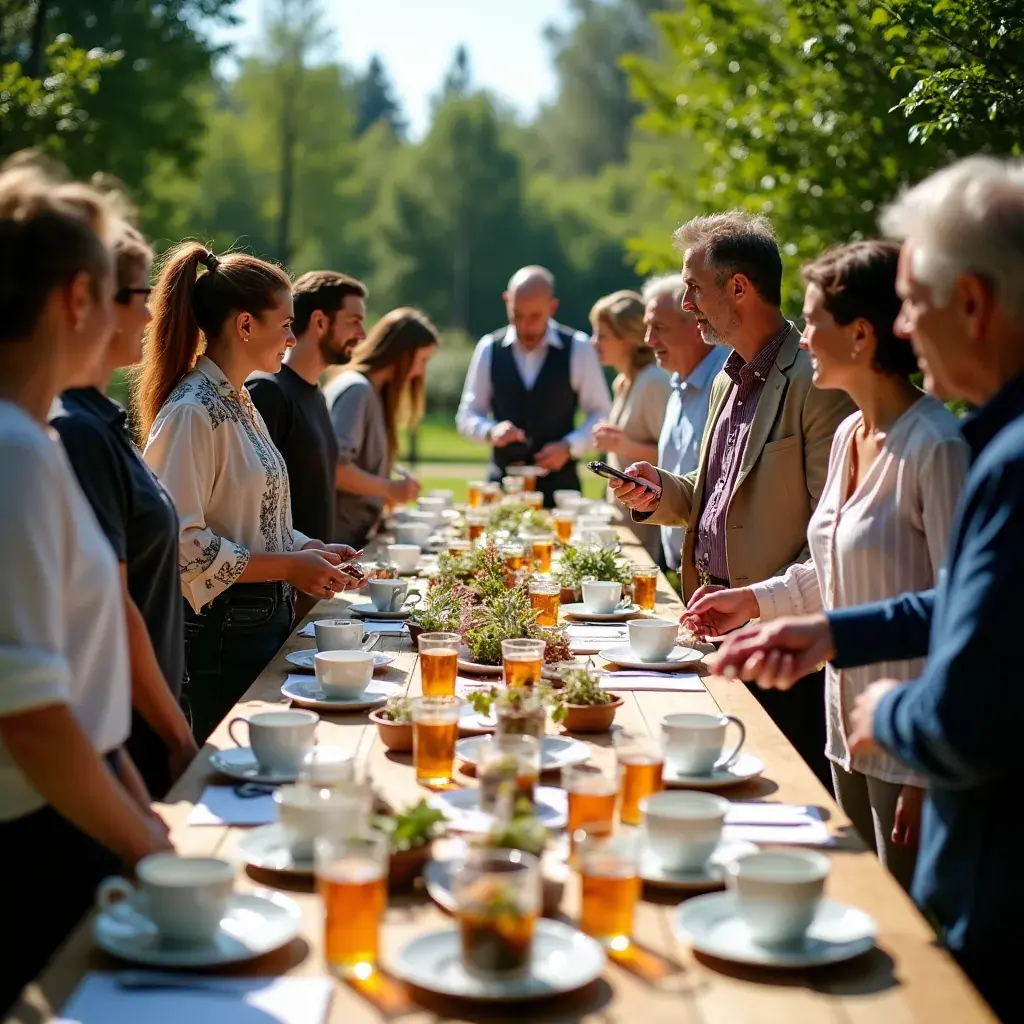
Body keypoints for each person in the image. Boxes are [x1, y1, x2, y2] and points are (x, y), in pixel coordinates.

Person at [706, 157, 1024, 1021]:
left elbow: (974, 681)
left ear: (974, 305)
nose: (908, 325)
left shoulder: (958, 449)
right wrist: (819, 627)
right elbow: (937, 594)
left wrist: (895, 723)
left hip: (940, 785)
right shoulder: (859, 430)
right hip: (855, 737)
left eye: (915, 303)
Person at [681, 242, 967, 889]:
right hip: (844, 734)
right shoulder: (848, 435)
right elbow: (829, 568)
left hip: (909, 751)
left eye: (812, 323)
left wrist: (927, 774)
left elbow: (959, 616)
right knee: (859, 902)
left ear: (862, 335)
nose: (803, 339)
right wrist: (751, 601)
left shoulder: (938, 446)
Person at [0, 169, 171, 1011]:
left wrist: (145, 812)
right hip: (38, 841)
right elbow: (30, 716)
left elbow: (80, 685)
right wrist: (140, 839)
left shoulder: (30, 440)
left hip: (81, 808)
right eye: (115, 294)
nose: (124, 317)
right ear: (75, 298)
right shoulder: (16, 452)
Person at [609, 211, 854, 789]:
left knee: (785, 801)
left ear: (738, 288)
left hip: (784, 652)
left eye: (694, 288)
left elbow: (831, 535)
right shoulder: (728, 376)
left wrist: (764, 609)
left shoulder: (817, 382)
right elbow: (712, 496)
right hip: (715, 630)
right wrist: (658, 490)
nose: (687, 303)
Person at [137, 243, 363, 744]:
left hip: (254, 625)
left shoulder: (241, 401)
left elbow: (255, 518)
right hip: (221, 636)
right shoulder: (193, 411)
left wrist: (307, 549)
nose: (291, 337)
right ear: (245, 325)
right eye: (285, 324)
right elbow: (181, 545)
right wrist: (287, 566)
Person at [50, 214, 198, 799]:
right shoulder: (77, 433)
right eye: (140, 296)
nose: (151, 314)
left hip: (149, 720)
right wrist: (177, 735)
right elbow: (115, 610)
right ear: (90, 301)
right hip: (134, 730)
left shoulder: (101, 422)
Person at [456, 265, 611, 506]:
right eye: (517, 315)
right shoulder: (489, 348)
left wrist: (569, 446)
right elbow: (467, 415)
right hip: (501, 492)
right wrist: (490, 431)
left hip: (562, 495)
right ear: (507, 301)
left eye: (535, 316)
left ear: (552, 307)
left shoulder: (579, 348)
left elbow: (601, 414)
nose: (525, 326)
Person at [247, 271, 367, 543]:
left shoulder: (316, 395)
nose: (362, 334)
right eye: (354, 321)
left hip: (312, 575)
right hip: (281, 578)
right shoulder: (268, 392)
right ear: (320, 322)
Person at [324, 308, 439, 547]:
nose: (420, 372)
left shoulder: (373, 391)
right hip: (337, 540)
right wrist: (389, 489)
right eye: (422, 360)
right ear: (402, 354)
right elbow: (336, 468)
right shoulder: (357, 390)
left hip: (354, 535)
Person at [641, 274, 729, 577]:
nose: (649, 340)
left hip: (716, 580)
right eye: (648, 327)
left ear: (696, 326)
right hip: (679, 569)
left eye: (659, 328)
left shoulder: (729, 379)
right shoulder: (678, 383)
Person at [589, 289, 671, 561]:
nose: (594, 342)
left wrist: (624, 445)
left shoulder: (653, 382)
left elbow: (675, 457)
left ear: (628, 339)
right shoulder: (623, 382)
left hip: (646, 526)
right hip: (624, 521)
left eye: (603, 335)